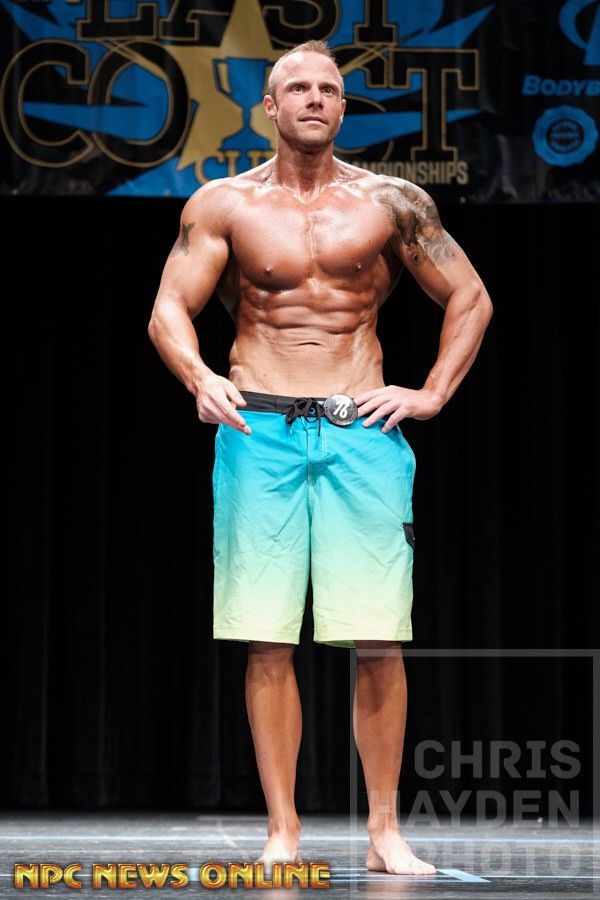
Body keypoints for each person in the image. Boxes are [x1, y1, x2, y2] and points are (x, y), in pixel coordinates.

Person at [148, 39, 493, 877]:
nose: (313, 98)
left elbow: (471, 296)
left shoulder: (392, 202)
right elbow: (167, 309)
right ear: (268, 107)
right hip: (257, 431)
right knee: (268, 640)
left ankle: (384, 832)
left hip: (359, 431)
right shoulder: (224, 204)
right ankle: (284, 830)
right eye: (296, 87)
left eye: (327, 89)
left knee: (378, 638)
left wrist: (433, 393)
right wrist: (199, 376)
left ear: (343, 107)